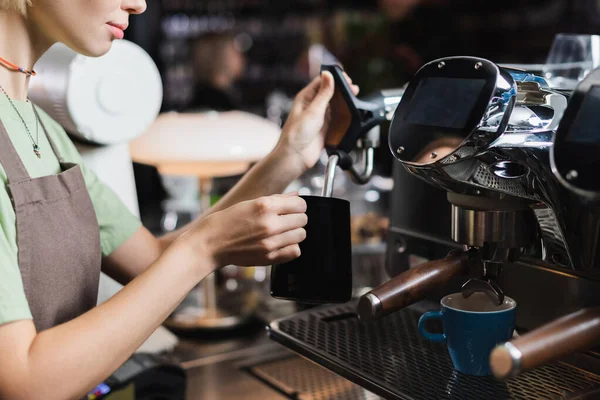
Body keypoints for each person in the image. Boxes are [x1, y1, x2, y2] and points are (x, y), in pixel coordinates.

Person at [0, 1, 359, 398]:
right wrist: (204, 250)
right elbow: (23, 382)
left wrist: (288, 155)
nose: (138, 4)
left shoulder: (42, 127)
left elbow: (152, 262)